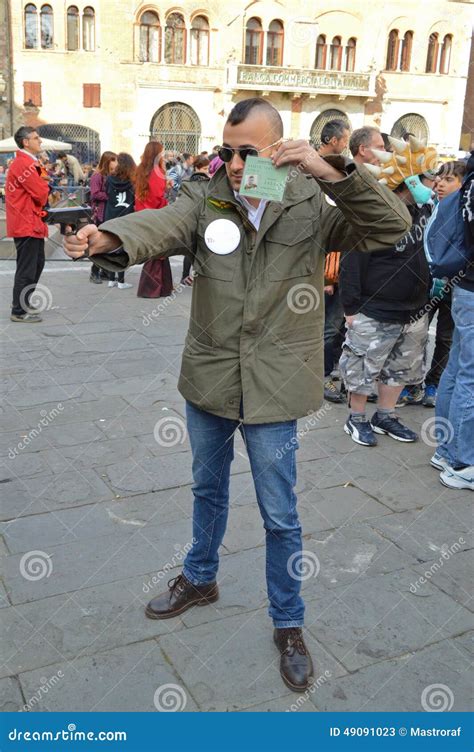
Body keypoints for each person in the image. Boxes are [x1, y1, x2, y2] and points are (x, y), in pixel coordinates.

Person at [63, 97, 411, 693]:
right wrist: (106, 237)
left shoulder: (310, 203)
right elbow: (161, 224)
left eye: (247, 151)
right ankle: (200, 577)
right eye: (227, 149)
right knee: (207, 487)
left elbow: (390, 227)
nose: (233, 161)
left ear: (280, 148)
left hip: (275, 385)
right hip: (212, 375)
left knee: (280, 512)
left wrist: (333, 173)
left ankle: (289, 622)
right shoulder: (207, 196)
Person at [339, 141, 435, 447]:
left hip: (414, 309)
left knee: (400, 368)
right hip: (375, 308)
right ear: (411, 180)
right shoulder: (376, 213)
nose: (434, 182)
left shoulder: (422, 208)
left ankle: (385, 415)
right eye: (428, 176)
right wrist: (351, 308)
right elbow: (352, 260)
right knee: (363, 366)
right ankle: (356, 419)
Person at [398, 161, 467, 408]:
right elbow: (410, 179)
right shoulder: (429, 204)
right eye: (439, 179)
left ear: (463, 184)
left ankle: (434, 383)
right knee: (415, 334)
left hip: (456, 283)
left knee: (445, 337)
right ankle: (411, 383)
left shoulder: (464, 209)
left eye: (449, 180)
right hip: (424, 282)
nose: (440, 184)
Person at [432, 156, 474, 490]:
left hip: (465, 287)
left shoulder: (470, 180)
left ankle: (446, 450)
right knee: (469, 377)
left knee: (459, 370)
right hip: (471, 290)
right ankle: (462, 461)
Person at [6, 126, 50, 323]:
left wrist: (43, 182)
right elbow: (41, 192)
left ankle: (23, 301)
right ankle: (19, 310)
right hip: (26, 222)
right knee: (27, 268)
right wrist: (43, 184)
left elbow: (45, 181)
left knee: (37, 264)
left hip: (32, 222)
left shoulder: (33, 162)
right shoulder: (24, 163)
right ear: (25, 142)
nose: (40, 141)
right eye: (36, 138)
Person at [135, 142, 173, 299]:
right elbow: (158, 197)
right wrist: (167, 192)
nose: (163, 156)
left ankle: (163, 287)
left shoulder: (140, 170)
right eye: (162, 153)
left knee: (156, 251)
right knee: (158, 252)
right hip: (156, 216)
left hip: (142, 214)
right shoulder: (157, 172)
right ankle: (152, 289)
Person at [104, 152, 135, 289]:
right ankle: (121, 280)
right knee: (123, 248)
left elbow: (107, 195)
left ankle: (111, 279)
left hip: (111, 215)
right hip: (125, 216)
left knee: (111, 247)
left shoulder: (109, 179)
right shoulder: (132, 181)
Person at [89, 151, 118, 284]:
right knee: (100, 244)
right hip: (100, 213)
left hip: (110, 213)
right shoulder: (97, 176)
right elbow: (94, 194)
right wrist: (109, 195)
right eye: (111, 167)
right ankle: (94, 272)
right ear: (106, 164)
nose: (114, 169)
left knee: (109, 243)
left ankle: (105, 271)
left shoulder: (111, 176)